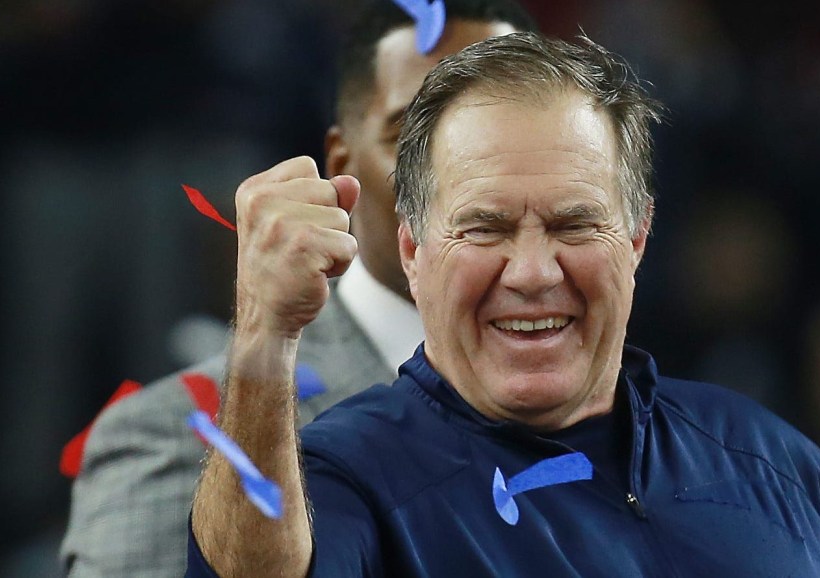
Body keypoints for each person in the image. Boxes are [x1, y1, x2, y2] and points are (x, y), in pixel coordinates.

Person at [186, 31, 820, 577]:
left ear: (636, 239)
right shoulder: (345, 481)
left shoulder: (768, 459)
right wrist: (265, 336)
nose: (534, 272)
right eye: (485, 228)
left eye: (574, 224)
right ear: (412, 252)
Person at [59, 2, 537, 576]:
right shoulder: (178, 441)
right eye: (417, 134)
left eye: (503, 136)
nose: (471, 181)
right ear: (342, 163)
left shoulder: (633, 424)